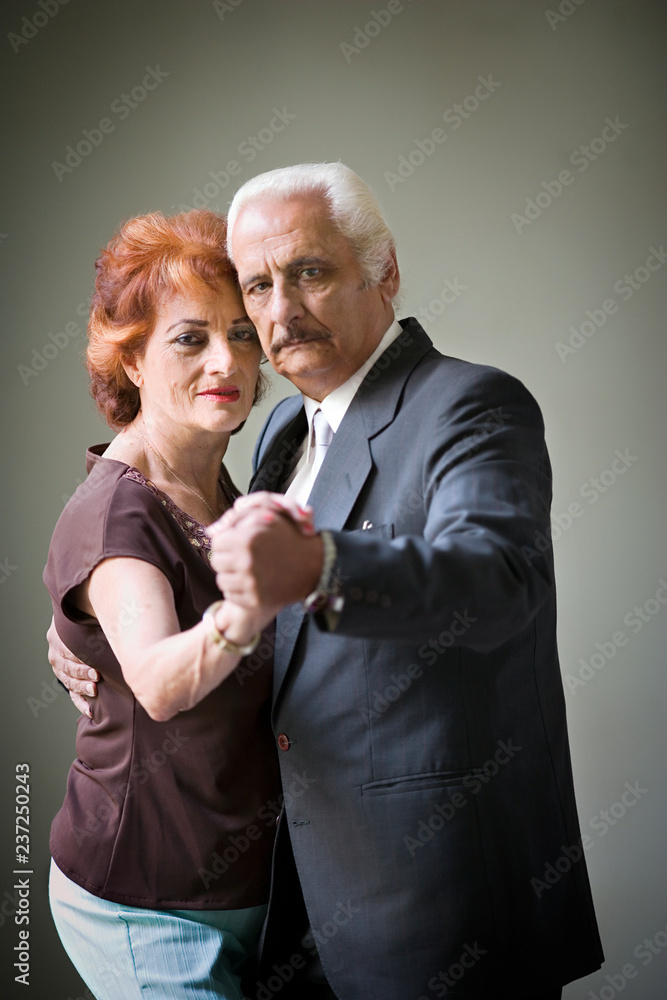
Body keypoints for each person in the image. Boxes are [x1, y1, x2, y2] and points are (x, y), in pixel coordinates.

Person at [53, 164, 604, 1000]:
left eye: (308, 272)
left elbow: (501, 580)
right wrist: (83, 625)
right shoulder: (283, 427)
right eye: (258, 286)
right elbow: (190, 574)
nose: (279, 312)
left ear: (383, 271)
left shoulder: (470, 403)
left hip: (442, 901)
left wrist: (325, 566)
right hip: (299, 901)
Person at [43, 209, 307, 1000]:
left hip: (250, 894)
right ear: (131, 359)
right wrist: (250, 605)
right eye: (189, 338)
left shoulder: (221, 478)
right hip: (146, 904)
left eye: (241, 334)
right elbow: (158, 683)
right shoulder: (116, 513)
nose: (225, 360)